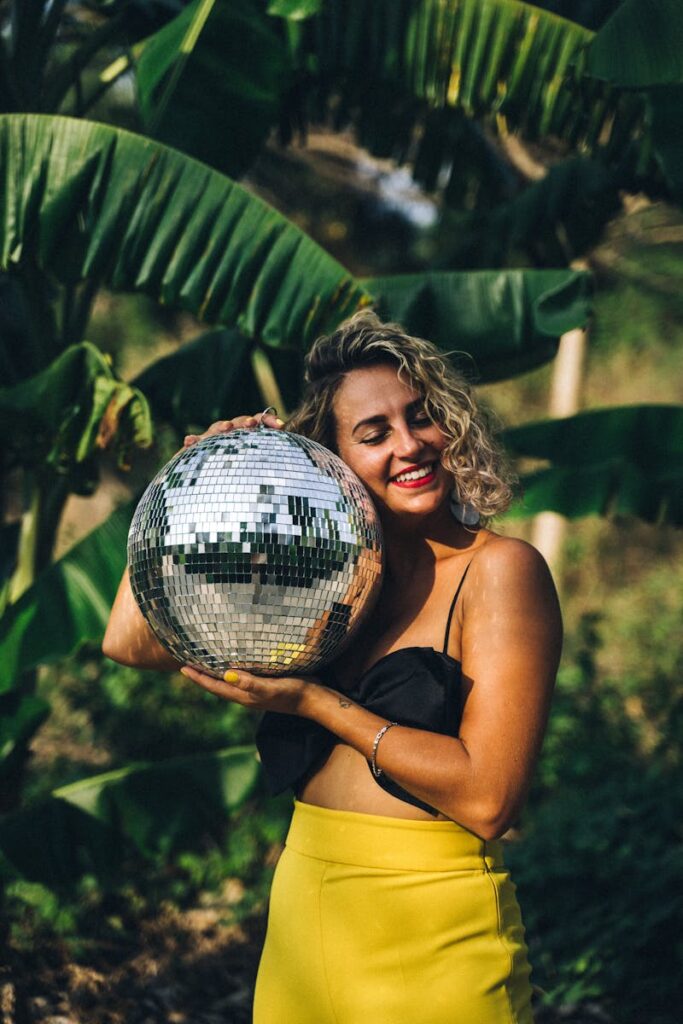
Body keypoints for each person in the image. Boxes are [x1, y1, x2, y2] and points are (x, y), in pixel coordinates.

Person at [103, 310, 562, 1024]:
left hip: (436, 933)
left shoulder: (500, 572)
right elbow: (129, 641)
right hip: (305, 919)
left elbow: (488, 799)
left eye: (421, 418)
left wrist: (318, 704)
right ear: (333, 458)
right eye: (374, 434)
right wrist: (188, 484)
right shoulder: (321, 580)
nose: (410, 446)